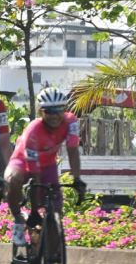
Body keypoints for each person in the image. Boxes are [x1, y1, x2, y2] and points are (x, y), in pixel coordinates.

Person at [5, 86, 86, 245]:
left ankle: (51, 250)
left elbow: (73, 150)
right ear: (41, 112)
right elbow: (34, 171)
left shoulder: (71, 122)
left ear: (64, 109)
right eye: (49, 111)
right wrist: (35, 209)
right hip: (22, 162)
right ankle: (18, 220)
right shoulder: (34, 130)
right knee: (13, 180)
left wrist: (77, 179)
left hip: (48, 164)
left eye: (58, 110)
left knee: (55, 208)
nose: (54, 116)